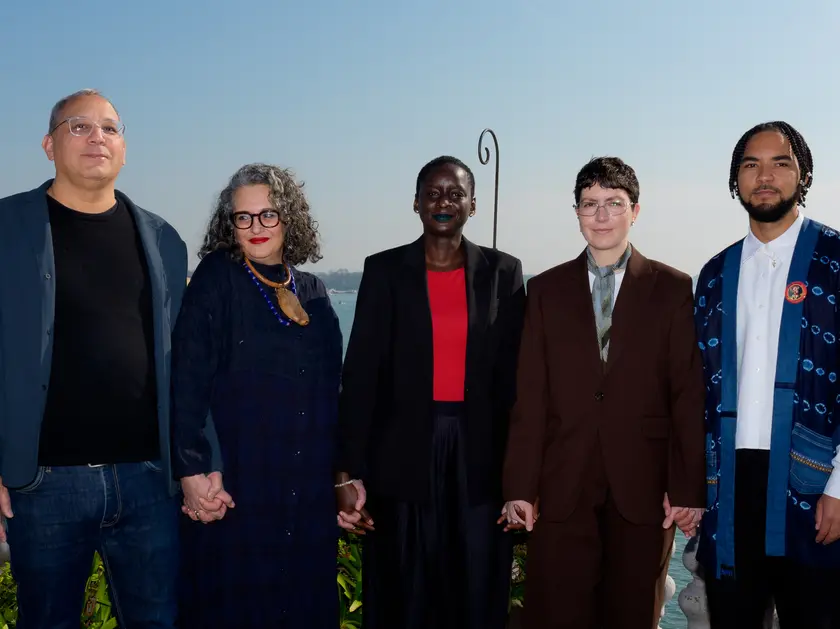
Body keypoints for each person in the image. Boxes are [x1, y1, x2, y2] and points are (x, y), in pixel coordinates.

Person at [0, 89, 193, 628]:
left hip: (149, 482)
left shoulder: (162, 239)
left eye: (110, 128)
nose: (96, 138)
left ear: (124, 148)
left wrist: (196, 464)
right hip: (42, 486)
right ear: (48, 144)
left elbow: (184, 364)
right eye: (78, 127)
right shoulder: (7, 228)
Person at [502, 156, 706, 629]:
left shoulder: (672, 288)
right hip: (560, 484)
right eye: (589, 204)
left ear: (635, 211)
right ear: (575, 212)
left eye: (613, 204)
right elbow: (529, 396)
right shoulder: (545, 290)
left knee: (632, 614)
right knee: (554, 614)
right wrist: (519, 487)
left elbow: (686, 394)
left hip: (644, 487)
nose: (600, 216)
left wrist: (686, 488)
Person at [335, 155, 526, 629]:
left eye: (456, 193)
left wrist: (523, 479)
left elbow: (517, 382)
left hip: (480, 456)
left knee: (478, 585)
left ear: (473, 204)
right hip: (401, 456)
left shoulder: (504, 272)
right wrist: (343, 474)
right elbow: (360, 377)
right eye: (433, 193)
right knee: (404, 587)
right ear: (416, 203)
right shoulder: (383, 271)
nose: (444, 202)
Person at [171, 163, 343, 629]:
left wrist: (343, 478)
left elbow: (333, 394)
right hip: (238, 487)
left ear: (290, 218)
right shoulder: (216, 279)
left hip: (304, 489)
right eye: (243, 217)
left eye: (268, 214)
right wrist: (191, 469)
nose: (256, 227)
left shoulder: (315, 292)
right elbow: (187, 382)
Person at [694, 121, 840, 628]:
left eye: (781, 163)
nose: (765, 176)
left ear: (803, 175)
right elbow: (694, 388)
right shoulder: (714, 273)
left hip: (815, 486)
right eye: (751, 164)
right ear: (736, 180)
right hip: (730, 486)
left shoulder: (836, 260)